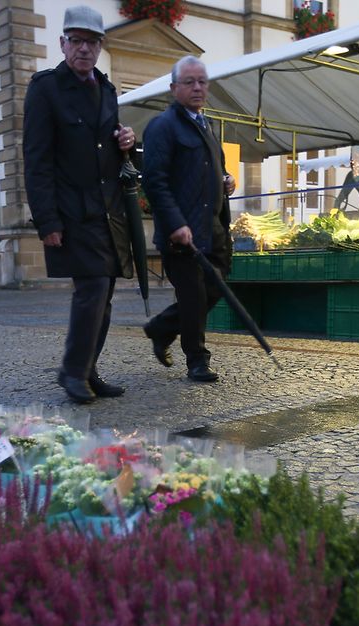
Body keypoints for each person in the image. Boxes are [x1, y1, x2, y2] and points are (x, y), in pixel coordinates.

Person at [23, 5, 136, 404]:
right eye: (76, 41)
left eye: (91, 42)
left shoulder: (106, 89)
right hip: (71, 211)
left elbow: (109, 150)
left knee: (104, 292)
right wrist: (47, 220)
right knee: (91, 288)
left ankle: (87, 370)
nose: (83, 49)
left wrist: (126, 143)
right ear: (63, 43)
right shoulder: (45, 88)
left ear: (101, 46)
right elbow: (36, 161)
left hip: (107, 211)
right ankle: (72, 372)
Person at [141, 56, 235, 383]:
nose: (197, 87)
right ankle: (197, 361)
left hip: (214, 228)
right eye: (189, 82)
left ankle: (161, 327)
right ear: (174, 88)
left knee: (214, 289)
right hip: (179, 233)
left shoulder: (207, 125)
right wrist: (175, 223)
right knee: (193, 297)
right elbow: (154, 181)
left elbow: (212, 169)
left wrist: (225, 181)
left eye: (202, 81)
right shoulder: (162, 127)